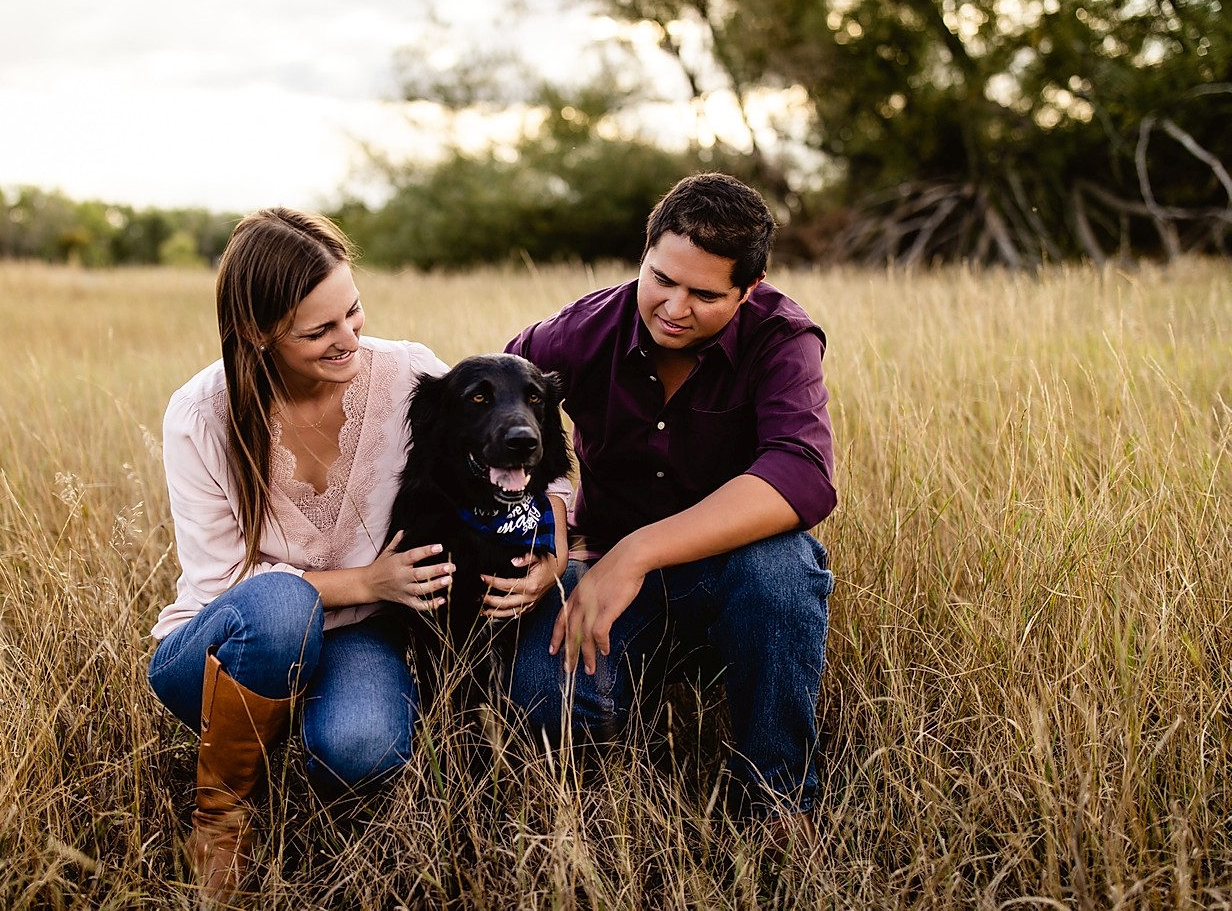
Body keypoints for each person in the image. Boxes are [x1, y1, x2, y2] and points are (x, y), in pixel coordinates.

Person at [145, 208, 561, 898]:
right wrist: (371, 579)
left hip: (355, 639)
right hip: (226, 650)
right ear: (257, 333)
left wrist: (550, 547)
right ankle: (221, 817)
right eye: (319, 331)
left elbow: (533, 449)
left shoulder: (406, 376)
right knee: (282, 603)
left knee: (364, 749)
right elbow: (225, 585)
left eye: (353, 314)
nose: (349, 342)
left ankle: (306, 741)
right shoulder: (200, 415)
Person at [501, 172, 837, 850]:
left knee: (783, 569)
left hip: (729, 572)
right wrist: (554, 527)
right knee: (550, 702)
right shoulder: (577, 333)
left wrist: (640, 549)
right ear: (645, 251)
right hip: (600, 572)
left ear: (750, 288)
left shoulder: (782, 338)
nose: (674, 307)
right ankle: (607, 798)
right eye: (661, 279)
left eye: (706, 294)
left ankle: (778, 806)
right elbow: (491, 417)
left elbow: (802, 475)